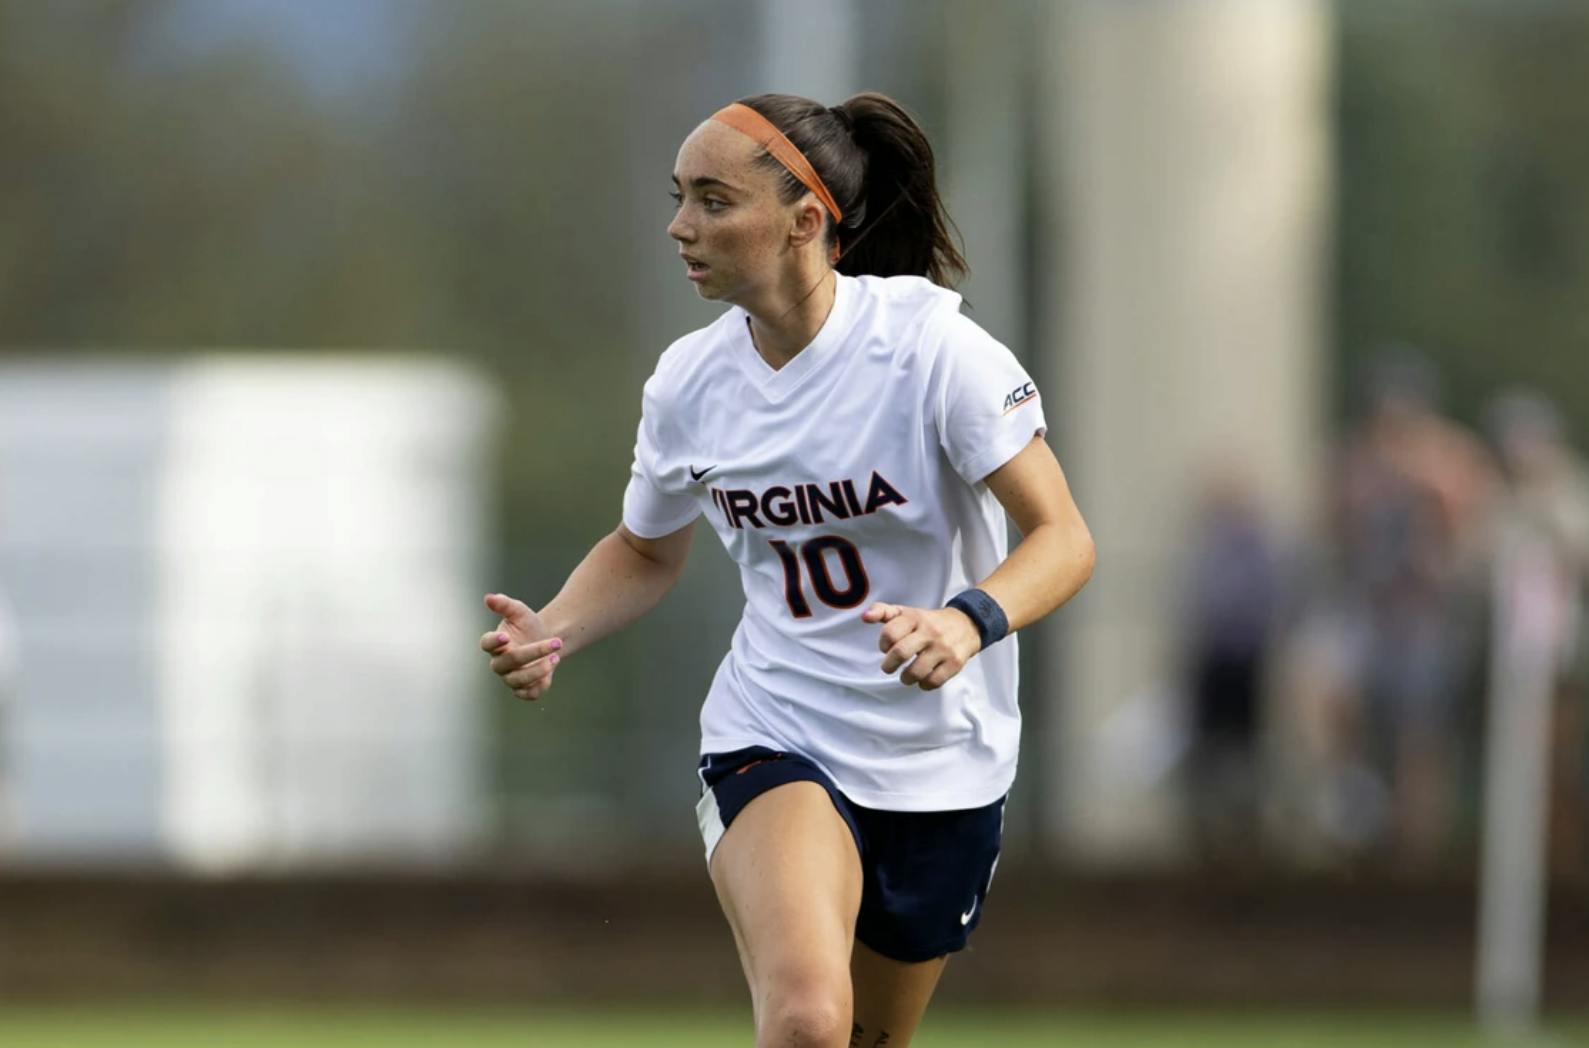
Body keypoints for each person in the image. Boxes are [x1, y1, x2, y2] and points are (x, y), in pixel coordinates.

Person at [479, 92, 1094, 1048]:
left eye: (713, 201)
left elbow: (1062, 538)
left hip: (944, 762)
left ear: (806, 219)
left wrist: (964, 622)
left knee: (861, 1041)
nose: (681, 227)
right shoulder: (689, 382)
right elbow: (644, 551)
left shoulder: (934, 350)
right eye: (678, 198)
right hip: (776, 730)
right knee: (807, 1021)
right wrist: (552, 628)